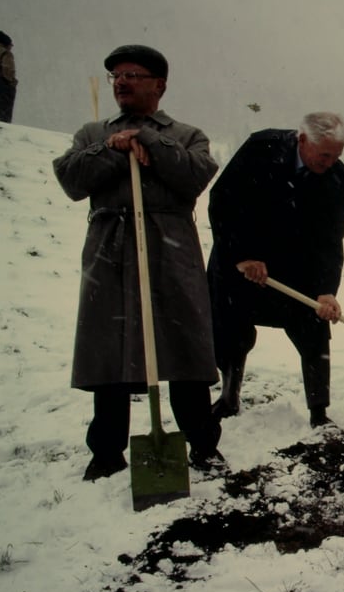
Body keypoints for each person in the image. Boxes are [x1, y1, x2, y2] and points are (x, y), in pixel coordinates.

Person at [52, 45, 223, 479]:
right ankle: (106, 451)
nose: (122, 82)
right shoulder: (92, 132)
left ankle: (202, 444)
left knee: (185, 343)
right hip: (110, 245)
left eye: (132, 74)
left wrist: (149, 140)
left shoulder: (187, 134)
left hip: (171, 246)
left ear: (159, 85)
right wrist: (111, 148)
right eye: (115, 76)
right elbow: (71, 180)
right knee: (110, 346)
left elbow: (194, 175)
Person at [206, 113, 344, 427]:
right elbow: (222, 201)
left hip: (297, 266)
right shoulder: (262, 148)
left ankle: (319, 411)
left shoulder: (338, 179)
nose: (329, 162)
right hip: (242, 259)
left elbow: (331, 240)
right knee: (230, 328)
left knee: (314, 330)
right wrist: (243, 255)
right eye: (324, 154)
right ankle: (229, 393)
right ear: (302, 140)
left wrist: (327, 289)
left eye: (336, 155)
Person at [0, 31, 16, 123]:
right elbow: (8, 73)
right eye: (10, 44)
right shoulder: (6, 54)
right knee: (3, 118)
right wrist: (12, 83)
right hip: (2, 88)